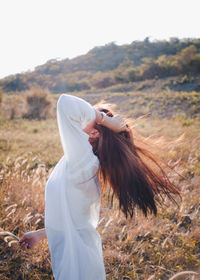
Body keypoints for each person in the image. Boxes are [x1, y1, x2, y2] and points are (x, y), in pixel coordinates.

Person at [19, 94, 180, 280]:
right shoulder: (84, 164)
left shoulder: (83, 161)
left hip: (79, 264)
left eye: (89, 119)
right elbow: (74, 223)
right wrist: (40, 235)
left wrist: (107, 121)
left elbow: (65, 103)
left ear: (94, 133)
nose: (85, 118)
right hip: (78, 260)